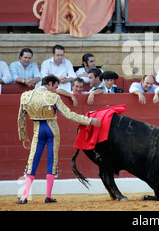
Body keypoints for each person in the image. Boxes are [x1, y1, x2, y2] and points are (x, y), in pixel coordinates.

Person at [16, 75, 100, 204]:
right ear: (49, 84)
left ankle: (25, 196)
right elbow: (69, 114)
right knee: (52, 161)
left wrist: (24, 137)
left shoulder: (26, 96)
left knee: (32, 160)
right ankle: (48, 196)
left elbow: (21, 119)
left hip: (38, 131)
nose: (55, 90)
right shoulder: (53, 97)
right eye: (55, 87)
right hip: (52, 131)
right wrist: (89, 120)